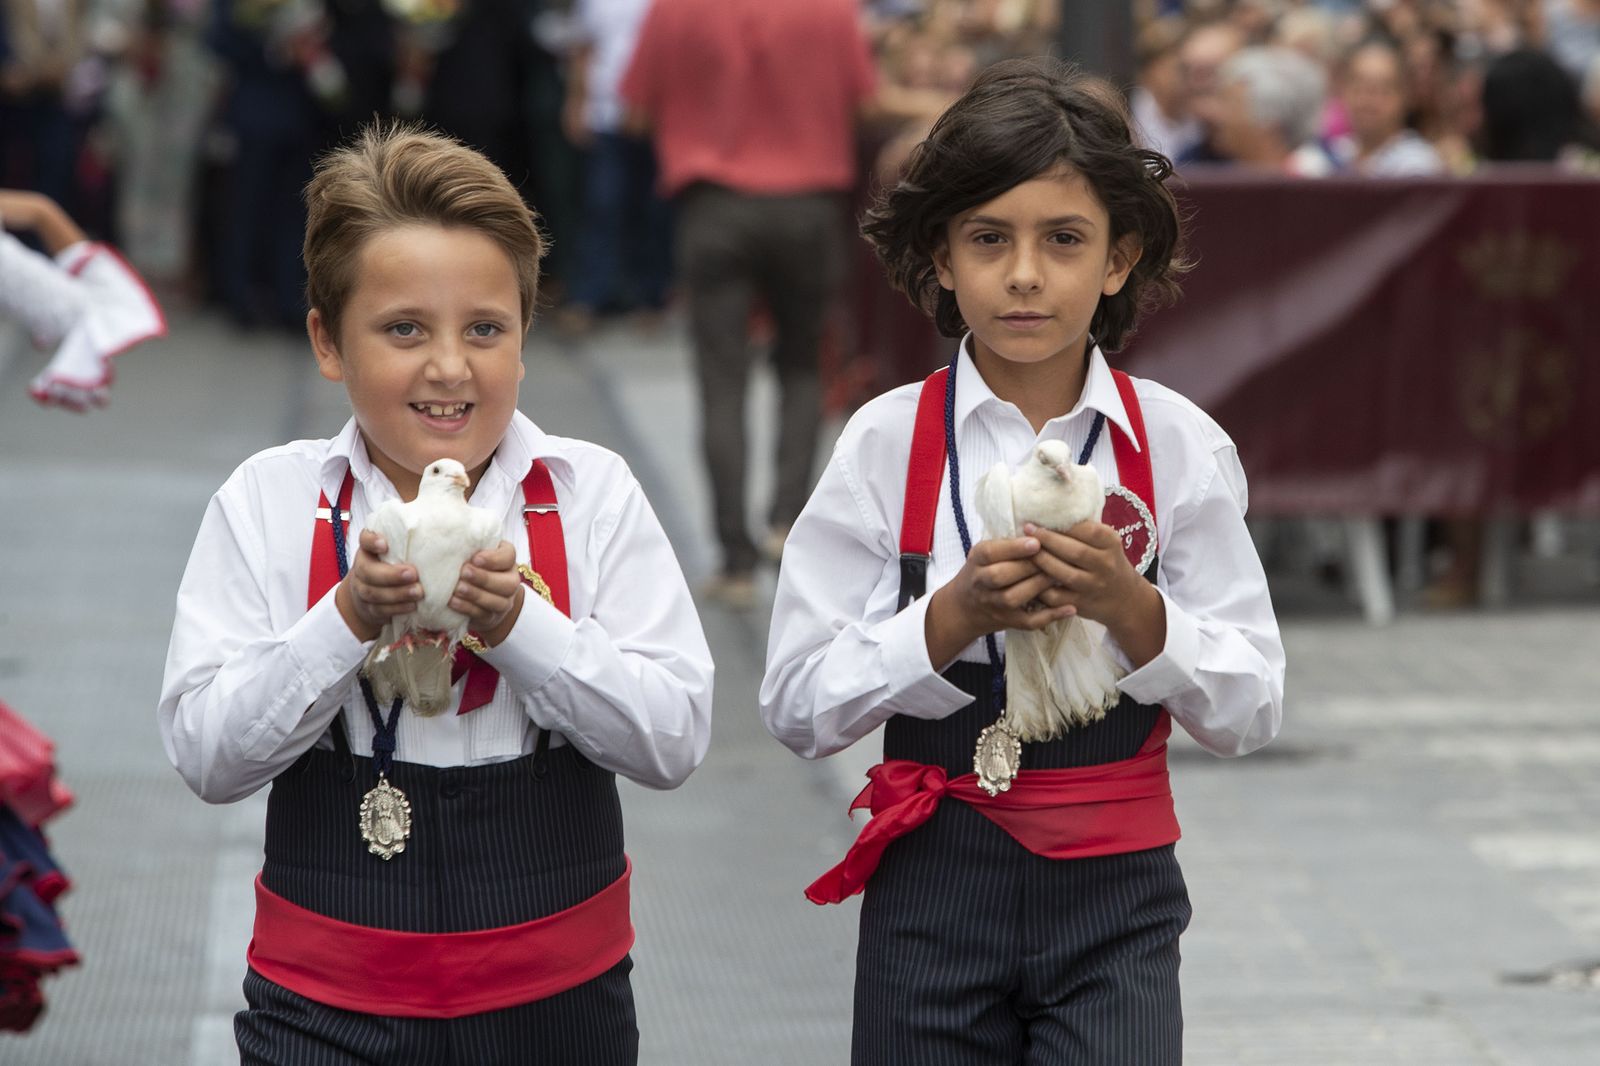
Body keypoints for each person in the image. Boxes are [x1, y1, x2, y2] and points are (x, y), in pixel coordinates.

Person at [760, 58, 1284, 1063]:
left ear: (1120, 259)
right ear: (941, 258)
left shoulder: (1174, 446)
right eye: (989, 239)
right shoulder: (884, 443)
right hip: (932, 884)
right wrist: (946, 617)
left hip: (1115, 897)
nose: (1026, 274)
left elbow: (1251, 705)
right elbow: (794, 703)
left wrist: (1135, 611)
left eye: (1063, 240)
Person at [157, 125, 713, 1064]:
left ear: (525, 339)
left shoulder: (589, 494)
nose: (450, 366)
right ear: (328, 343)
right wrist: (345, 621)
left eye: (485, 330)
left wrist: (520, 624)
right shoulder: (271, 500)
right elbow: (209, 756)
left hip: (556, 1004)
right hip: (324, 1003)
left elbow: (673, 738)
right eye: (404, 329)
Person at [619, 0, 879, 607]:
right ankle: (787, 523)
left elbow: (633, 113)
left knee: (721, 381)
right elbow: (865, 103)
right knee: (801, 367)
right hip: (808, 208)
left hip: (713, 207)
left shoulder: (673, 10)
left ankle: (734, 562)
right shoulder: (831, 9)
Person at [1331, 36, 1446, 175]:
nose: (1367, 100)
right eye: (1358, 88)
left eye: (1382, 90)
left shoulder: (1417, 166)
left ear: (1405, 96)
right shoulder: (1332, 155)